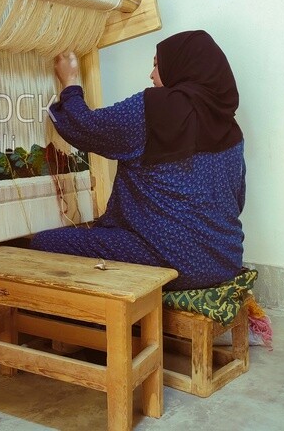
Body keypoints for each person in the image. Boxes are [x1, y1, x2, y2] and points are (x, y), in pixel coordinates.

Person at [32, 30, 245, 290]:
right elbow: (237, 198)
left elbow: (86, 127)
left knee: (42, 244)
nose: (152, 74)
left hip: (175, 261)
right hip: (224, 259)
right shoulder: (230, 128)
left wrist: (70, 82)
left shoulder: (155, 109)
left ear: (181, 66)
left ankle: (87, 324)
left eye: (157, 65)